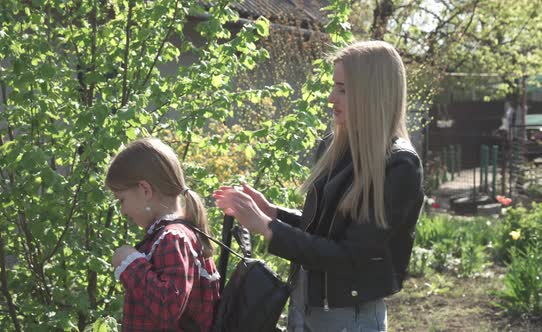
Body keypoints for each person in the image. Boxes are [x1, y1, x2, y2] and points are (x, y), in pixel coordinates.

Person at [213, 41, 424, 332]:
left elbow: (348, 257)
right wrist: (272, 213)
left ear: (372, 94)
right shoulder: (336, 148)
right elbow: (326, 232)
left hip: (348, 320)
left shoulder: (399, 167)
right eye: (334, 86)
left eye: (343, 89)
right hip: (303, 306)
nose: (330, 97)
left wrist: (266, 226)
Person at [107, 138, 220, 332]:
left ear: (145, 190)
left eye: (122, 200)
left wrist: (130, 263)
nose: (123, 211)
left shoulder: (173, 238)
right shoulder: (176, 235)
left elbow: (167, 308)